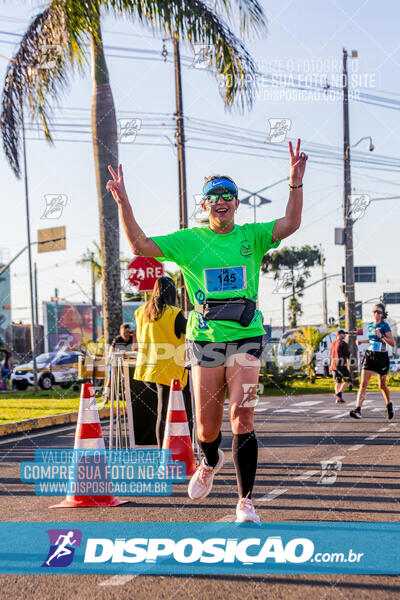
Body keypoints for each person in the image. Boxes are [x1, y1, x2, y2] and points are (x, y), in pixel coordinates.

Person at [106, 138, 307, 522]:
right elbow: (140, 245)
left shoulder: (252, 236)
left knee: (243, 417)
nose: (221, 201)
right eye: (213, 196)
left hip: (246, 335)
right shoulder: (190, 241)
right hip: (205, 340)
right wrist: (124, 203)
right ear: (205, 205)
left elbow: (291, 223)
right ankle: (209, 461)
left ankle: (246, 500)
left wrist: (295, 182)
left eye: (228, 195)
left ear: (236, 202)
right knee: (207, 426)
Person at [134, 276, 188, 448]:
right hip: (169, 372)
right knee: (174, 414)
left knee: (163, 414)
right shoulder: (174, 314)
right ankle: (169, 453)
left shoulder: (141, 311)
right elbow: (192, 332)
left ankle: (166, 451)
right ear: (172, 292)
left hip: (147, 371)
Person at [350, 303, 395, 420]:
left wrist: (382, 336)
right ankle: (358, 409)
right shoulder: (370, 325)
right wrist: (361, 342)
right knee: (363, 384)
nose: (376, 314)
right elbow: (371, 339)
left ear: (382, 314)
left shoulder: (385, 326)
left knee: (382, 385)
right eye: (374, 311)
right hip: (370, 355)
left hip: (381, 357)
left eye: (379, 312)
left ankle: (389, 405)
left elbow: (392, 343)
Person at [329, 330, 351, 403]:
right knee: (348, 380)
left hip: (333, 365)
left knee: (338, 382)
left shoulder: (332, 343)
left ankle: (338, 398)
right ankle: (339, 393)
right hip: (341, 365)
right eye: (343, 334)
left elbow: (331, 355)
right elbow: (347, 354)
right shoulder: (343, 343)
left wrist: (330, 365)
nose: (344, 336)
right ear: (338, 334)